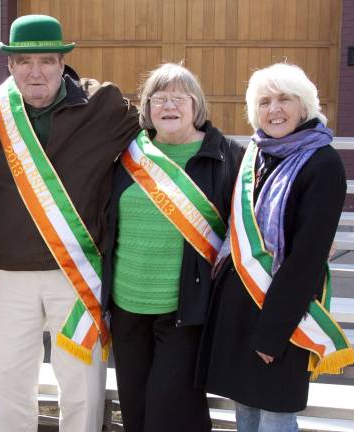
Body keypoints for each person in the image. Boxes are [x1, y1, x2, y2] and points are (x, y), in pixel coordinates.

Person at [0, 14, 140, 432]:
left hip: (76, 273)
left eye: (47, 61)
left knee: (82, 384)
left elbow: (169, 133)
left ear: (63, 63)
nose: (37, 72)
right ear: (10, 66)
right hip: (11, 273)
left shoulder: (103, 104)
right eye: (25, 62)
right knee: (10, 383)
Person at [197, 63, 354, 432]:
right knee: (246, 413)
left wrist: (273, 331)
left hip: (283, 313)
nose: (275, 110)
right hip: (241, 308)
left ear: (305, 106)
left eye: (285, 99)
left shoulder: (324, 163)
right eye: (265, 101)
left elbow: (307, 258)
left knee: (275, 417)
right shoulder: (256, 153)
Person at [100, 63, 243, 432]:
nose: (169, 106)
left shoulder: (228, 156)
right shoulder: (127, 155)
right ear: (147, 109)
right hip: (127, 306)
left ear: (197, 105)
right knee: (135, 408)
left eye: (179, 98)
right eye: (159, 98)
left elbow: (253, 219)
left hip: (185, 309)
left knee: (172, 411)